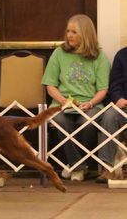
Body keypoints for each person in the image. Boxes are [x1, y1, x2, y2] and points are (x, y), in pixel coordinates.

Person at [41, 14, 110, 182]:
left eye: (74, 32)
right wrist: (64, 101)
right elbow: (50, 85)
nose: (69, 35)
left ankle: (74, 165)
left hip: (90, 104)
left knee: (85, 123)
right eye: (68, 31)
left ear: (85, 34)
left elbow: (103, 89)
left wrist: (91, 103)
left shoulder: (99, 57)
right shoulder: (59, 53)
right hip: (62, 103)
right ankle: (78, 166)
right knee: (60, 121)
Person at [96, 47, 127, 183]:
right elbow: (115, 85)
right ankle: (107, 167)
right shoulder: (122, 55)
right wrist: (118, 98)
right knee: (110, 115)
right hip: (125, 105)